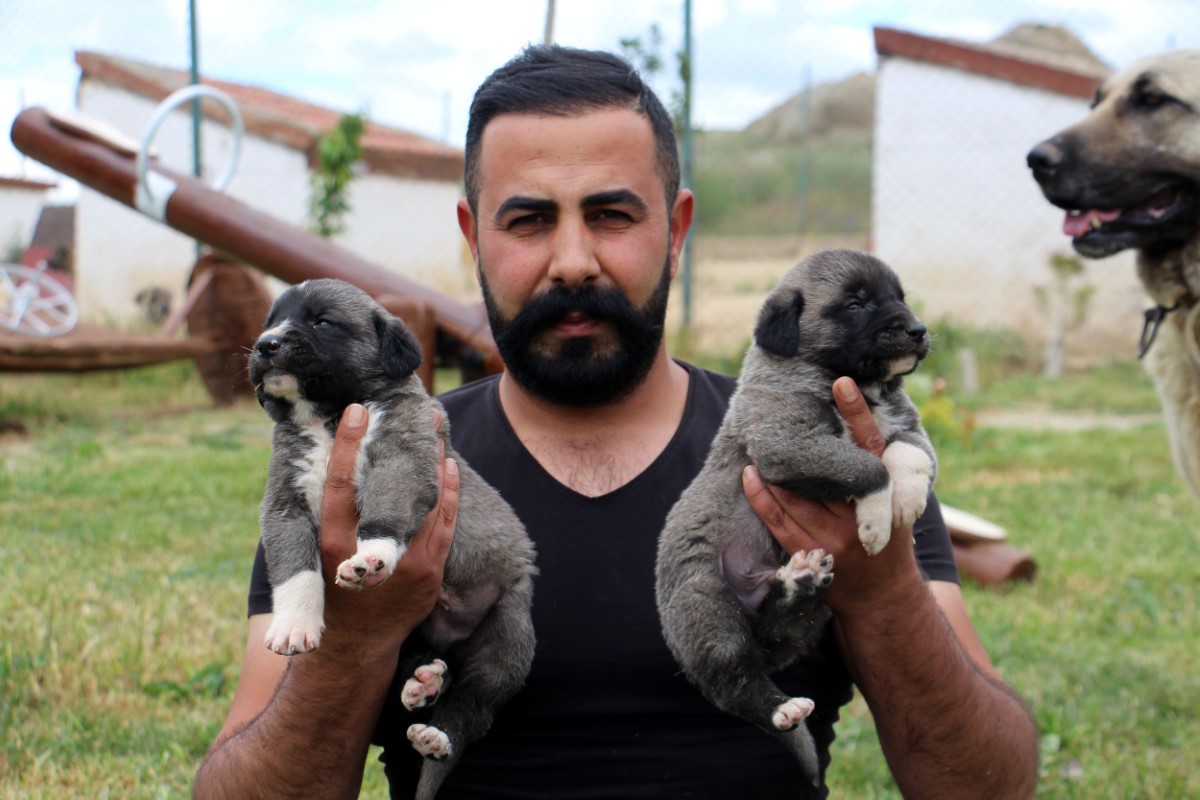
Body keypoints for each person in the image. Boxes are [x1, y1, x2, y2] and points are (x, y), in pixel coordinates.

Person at [193, 45, 1038, 799]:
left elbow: (990, 786)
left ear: (675, 230)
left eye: (611, 215)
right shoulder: (366, 470)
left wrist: (883, 594)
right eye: (527, 219)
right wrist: (352, 641)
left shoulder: (836, 458)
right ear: (472, 237)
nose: (572, 261)